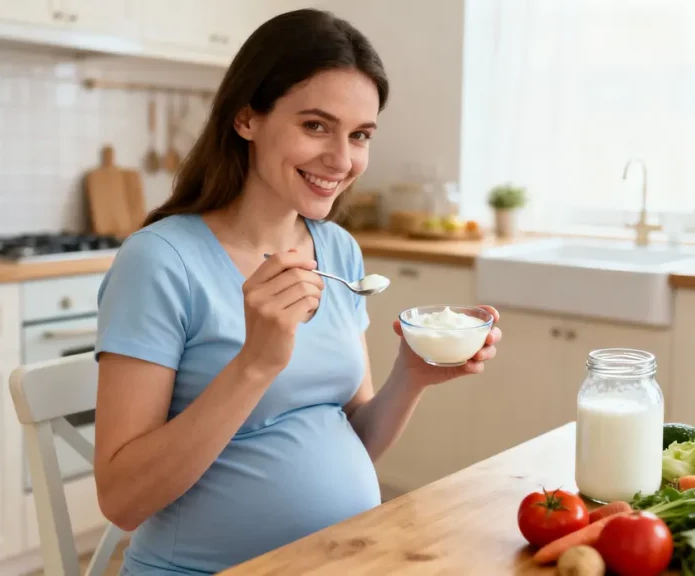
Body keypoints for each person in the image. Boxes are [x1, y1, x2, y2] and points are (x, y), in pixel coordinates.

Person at [93, 8, 502, 575]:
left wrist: (412, 375)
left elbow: (352, 437)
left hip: (340, 561)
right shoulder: (160, 262)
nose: (341, 160)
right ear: (246, 119)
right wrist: (254, 364)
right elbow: (121, 501)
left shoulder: (336, 250)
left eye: (359, 135)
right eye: (315, 126)